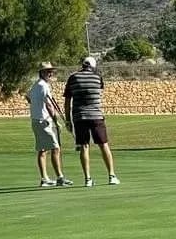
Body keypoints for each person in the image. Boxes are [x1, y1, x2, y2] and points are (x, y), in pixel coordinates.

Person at [63, 56, 120, 187]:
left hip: (79, 117)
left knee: (84, 146)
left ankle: (88, 179)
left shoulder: (73, 78)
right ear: (93, 66)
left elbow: (67, 102)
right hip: (96, 116)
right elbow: (99, 90)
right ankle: (112, 176)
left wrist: (68, 120)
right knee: (103, 144)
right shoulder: (97, 77)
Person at [25, 62, 73, 186]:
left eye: (51, 71)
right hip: (44, 121)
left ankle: (44, 179)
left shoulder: (36, 85)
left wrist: (36, 106)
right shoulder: (43, 86)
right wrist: (56, 121)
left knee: (42, 150)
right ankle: (60, 178)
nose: (50, 73)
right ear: (41, 73)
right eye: (47, 71)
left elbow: (28, 97)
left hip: (36, 120)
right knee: (55, 148)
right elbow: (50, 105)